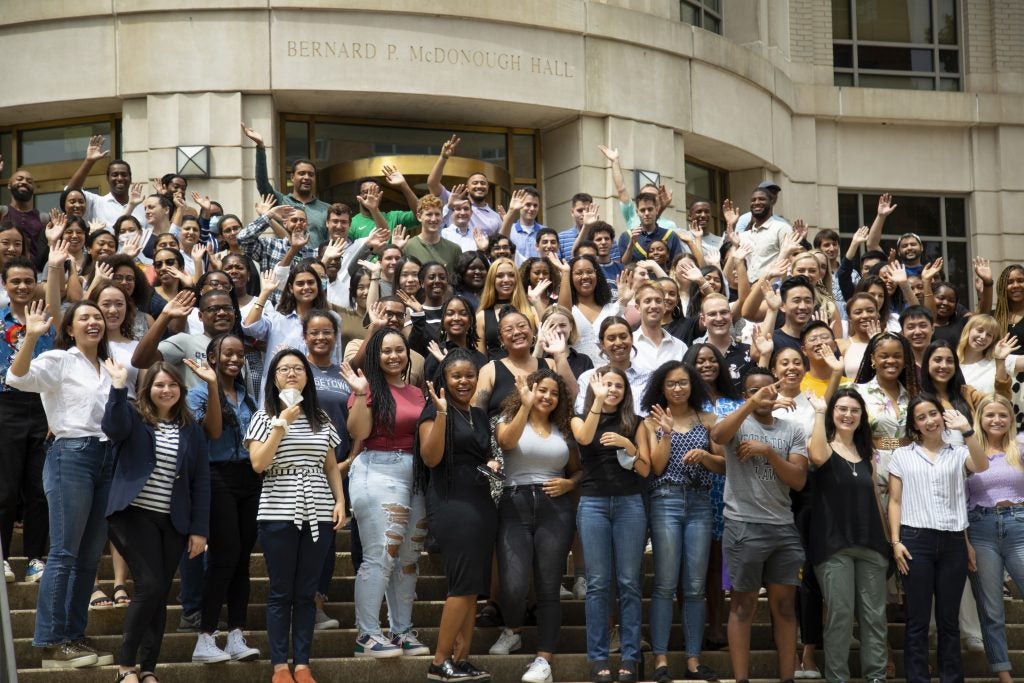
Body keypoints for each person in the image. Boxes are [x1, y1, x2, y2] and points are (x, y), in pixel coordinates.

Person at [7, 300, 116, 669]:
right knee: (65, 552)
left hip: (106, 458)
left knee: (88, 558)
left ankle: (73, 636)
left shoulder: (109, 365)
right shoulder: (60, 360)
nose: (93, 322)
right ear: (70, 328)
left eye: (97, 317)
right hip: (71, 454)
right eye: (84, 317)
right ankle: (51, 641)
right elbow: (17, 378)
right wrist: (31, 337)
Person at [102, 360, 211, 683]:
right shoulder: (134, 416)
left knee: (158, 592)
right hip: (133, 515)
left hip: (173, 520)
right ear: (148, 389)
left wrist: (199, 530)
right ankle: (125, 668)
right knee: (149, 585)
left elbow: (201, 481)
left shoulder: (191, 428)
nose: (166, 390)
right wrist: (119, 387)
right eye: (159, 385)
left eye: (172, 385)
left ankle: (148, 668)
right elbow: (113, 428)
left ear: (181, 389)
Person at [245, 349, 347, 683]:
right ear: (273, 377)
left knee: (306, 592)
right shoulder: (263, 417)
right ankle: (279, 666)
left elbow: (331, 465)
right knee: (280, 591)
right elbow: (259, 464)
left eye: (298, 368)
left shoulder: (321, 417)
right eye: (284, 368)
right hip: (278, 508)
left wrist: (340, 501)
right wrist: (281, 424)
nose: (291, 373)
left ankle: (302, 663)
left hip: (318, 507)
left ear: (308, 376)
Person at [709, 367, 808, 683]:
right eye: (755, 390)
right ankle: (741, 679)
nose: (764, 393)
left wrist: (768, 452)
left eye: (769, 389)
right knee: (743, 605)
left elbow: (798, 480)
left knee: (785, 607)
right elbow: (718, 436)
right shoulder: (738, 423)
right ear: (745, 395)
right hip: (743, 525)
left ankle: (787, 678)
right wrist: (750, 405)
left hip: (783, 526)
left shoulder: (792, 430)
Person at [343, 328, 431, 658]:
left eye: (399, 350)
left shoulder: (417, 392)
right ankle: (367, 634)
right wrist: (362, 394)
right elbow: (359, 432)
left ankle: (401, 631)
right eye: (385, 351)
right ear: (375, 356)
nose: (394, 356)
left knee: (408, 560)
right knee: (380, 555)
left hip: (415, 474)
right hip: (377, 468)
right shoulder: (366, 389)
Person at [888, 394, 988, 683]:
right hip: (915, 539)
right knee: (918, 619)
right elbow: (894, 501)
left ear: (942, 417)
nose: (929, 421)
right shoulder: (902, 455)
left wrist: (967, 430)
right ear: (914, 424)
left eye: (933, 414)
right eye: (921, 417)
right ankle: (918, 678)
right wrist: (896, 542)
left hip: (953, 541)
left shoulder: (958, 453)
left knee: (949, 621)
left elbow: (981, 466)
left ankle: (951, 678)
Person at [494, 369, 580, 683]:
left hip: (554, 508)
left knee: (548, 587)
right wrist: (526, 406)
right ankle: (512, 630)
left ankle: (544, 659)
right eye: (541, 390)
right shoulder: (508, 417)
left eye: (553, 393)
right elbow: (506, 441)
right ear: (529, 390)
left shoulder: (563, 429)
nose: (547, 397)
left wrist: (569, 485)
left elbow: (579, 472)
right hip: (514, 503)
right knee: (514, 585)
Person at [417, 349, 497, 682]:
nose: (463, 381)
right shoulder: (433, 411)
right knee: (462, 585)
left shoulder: (478, 415)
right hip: (452, 502)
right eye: (456, 376)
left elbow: (476, 455)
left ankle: (462, 658)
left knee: (473, 587)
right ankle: (439, 661)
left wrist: (491, 465)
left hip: (481, 501)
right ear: (444, 380)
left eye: (469, 375)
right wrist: (441, 415)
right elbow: (431, 458)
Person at [640, 361, 723, 683]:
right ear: (661, 387)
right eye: (672, 384)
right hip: (665, 500)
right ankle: (661, 659)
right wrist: (666, 432)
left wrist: (706, 457)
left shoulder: (708, 419)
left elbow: (723, 467)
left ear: (693, 385)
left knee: (694, 586)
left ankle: (693, 660)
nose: (678, 388)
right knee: (663, 583)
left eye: (684, 383)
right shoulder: (650, 423)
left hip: (701, 501)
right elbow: (656, 468)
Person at [805, 387, 889, 683]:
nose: (848, 415)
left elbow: (878, 503)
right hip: (833, 545)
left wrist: (889, 543)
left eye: (854, 410)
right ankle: (837, 678)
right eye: (842, 408)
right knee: (839, 615)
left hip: (872, 544)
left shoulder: (868, 455)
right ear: (832, 413)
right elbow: (815, 456)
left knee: (874, 617)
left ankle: (876, 676)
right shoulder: (822, 444)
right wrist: (818, 411)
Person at [187, 333, 262, 664]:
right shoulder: (198, 392)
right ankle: (205, 637)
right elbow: (213, 431)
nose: (234, 359)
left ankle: (235, 634)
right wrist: (214, 387)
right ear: (212, 357)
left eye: (239, 354)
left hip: (249, 478)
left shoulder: (247, 396)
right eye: (227, 354)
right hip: (215, 477)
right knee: (224, 556)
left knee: (242, 558)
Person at [570, 369, 649, 683]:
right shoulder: (579, 417)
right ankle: (599, 658)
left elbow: (645, 470)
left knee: (629, 582)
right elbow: (585, 438)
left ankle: (630, 656)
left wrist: (628, 447)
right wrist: (598, 403)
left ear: (626, 390)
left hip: (630, 503)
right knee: (599, 584)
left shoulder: (636, 422)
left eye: (618, 385)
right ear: (595, 386)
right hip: (593, 504)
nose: (612, 389)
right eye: (606, 384)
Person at [0, 257, 52, 585]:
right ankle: (3, 557)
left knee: (39, 489)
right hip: (4, 404)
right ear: (5, 285)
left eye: (28, 281)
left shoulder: (48, 320)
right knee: (5, 489)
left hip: (41, 407)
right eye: (15, 281)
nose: (22, 286)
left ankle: (35, 558)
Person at [966, 394, 1024, 683]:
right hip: (980, 528)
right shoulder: (966, 450)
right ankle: (1004, 675)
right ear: (980, 419)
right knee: (991, 609)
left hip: (1019, 525)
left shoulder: (1021, 447)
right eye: (990, 415)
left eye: (1002, 415)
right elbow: (958, 497)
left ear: (1010, 419)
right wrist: (965, 542)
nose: (996, 420)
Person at [242, 124, 332, 247]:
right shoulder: (281, 201)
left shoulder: (326, 209)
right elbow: (262, 182)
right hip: (286, 262)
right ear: (292, 177)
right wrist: (260, 147)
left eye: (311, 174)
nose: (306, 177)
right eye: (301, 173)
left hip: (315, 263)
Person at [65, 135, 147, 228]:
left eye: (124, 175)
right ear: (107, 179)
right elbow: (70, 191)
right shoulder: (96, 203)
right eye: (115, 175)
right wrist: (89, 161)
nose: (119, 178)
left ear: (130, 178)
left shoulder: (142, 209)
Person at [428, 135, 501, 235]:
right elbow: (432, 183)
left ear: (487, 188)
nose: (479, 186)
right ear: (467, 188)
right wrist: (443, 157)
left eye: (483, 183)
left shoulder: (495, 217)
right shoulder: (455, 202)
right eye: (475, 183)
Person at [631, 281, 687, 373]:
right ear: (638, 308)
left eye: (658, 301)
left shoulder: (680, 347)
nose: (654, 306)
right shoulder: (629, 344)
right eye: (647, 301)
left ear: (664, 307)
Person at [402, 194, 462, 277]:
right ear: (419, 217)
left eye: (437, 214)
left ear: (442, 216)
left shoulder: (454, 249)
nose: (433, 219)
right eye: (429, 214)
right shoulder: (407, 247)